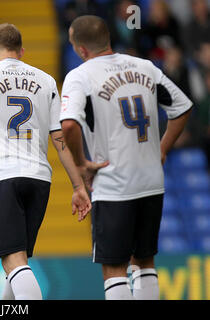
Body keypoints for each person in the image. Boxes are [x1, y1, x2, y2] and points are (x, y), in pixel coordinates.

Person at [0, 23, 91, 300]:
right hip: (39, 179)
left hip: (3, 177)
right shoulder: (46, 80)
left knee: (13, 261)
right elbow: (59, 140)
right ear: (21, 52)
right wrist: (78, 186)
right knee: (18, 260)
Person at [60, 15, 192, 300]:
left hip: (113, 184)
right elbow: (181, 108)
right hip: (151, 181)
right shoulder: (144, 66)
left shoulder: (80, 76)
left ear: (81, 49)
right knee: (144, 262)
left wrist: (81, 163)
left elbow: (68, 124)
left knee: (114, 268)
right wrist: (163, 148)